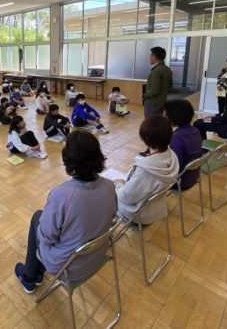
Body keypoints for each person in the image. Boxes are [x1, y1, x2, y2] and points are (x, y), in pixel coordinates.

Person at [14, 130, 117, 293]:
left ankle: (29, 276)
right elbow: (111, 216)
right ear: (98, 156)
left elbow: (47, 237)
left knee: (37, 217)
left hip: (69, 268)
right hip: (97, 255)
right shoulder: (110, 186)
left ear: (68, 160)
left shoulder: (62, 195)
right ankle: (36, 273)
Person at [113, 115, 179, 224]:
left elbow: (126, 197)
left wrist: (120, 185)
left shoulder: (145, 170)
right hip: (156, 208)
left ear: (145, 139)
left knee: (107, 193)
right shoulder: (172, 155)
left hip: (138, 213)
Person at [164, 100, 203, 190]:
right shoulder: (195, 131)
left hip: (181, 182)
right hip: (193, 176)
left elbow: (176, 167)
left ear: (174, 117)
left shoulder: (177, 137)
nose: (165, 116)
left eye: (167, 114)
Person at [143, 47, 172, 118]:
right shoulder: (167, 69)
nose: (149, 58)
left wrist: (144, 95)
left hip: (152, 104)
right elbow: (170, 86)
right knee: (157, 122)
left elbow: (154, 91)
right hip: (162, 102)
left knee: (150, 122)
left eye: (150, 56)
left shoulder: (156, 71)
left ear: (154, 57)